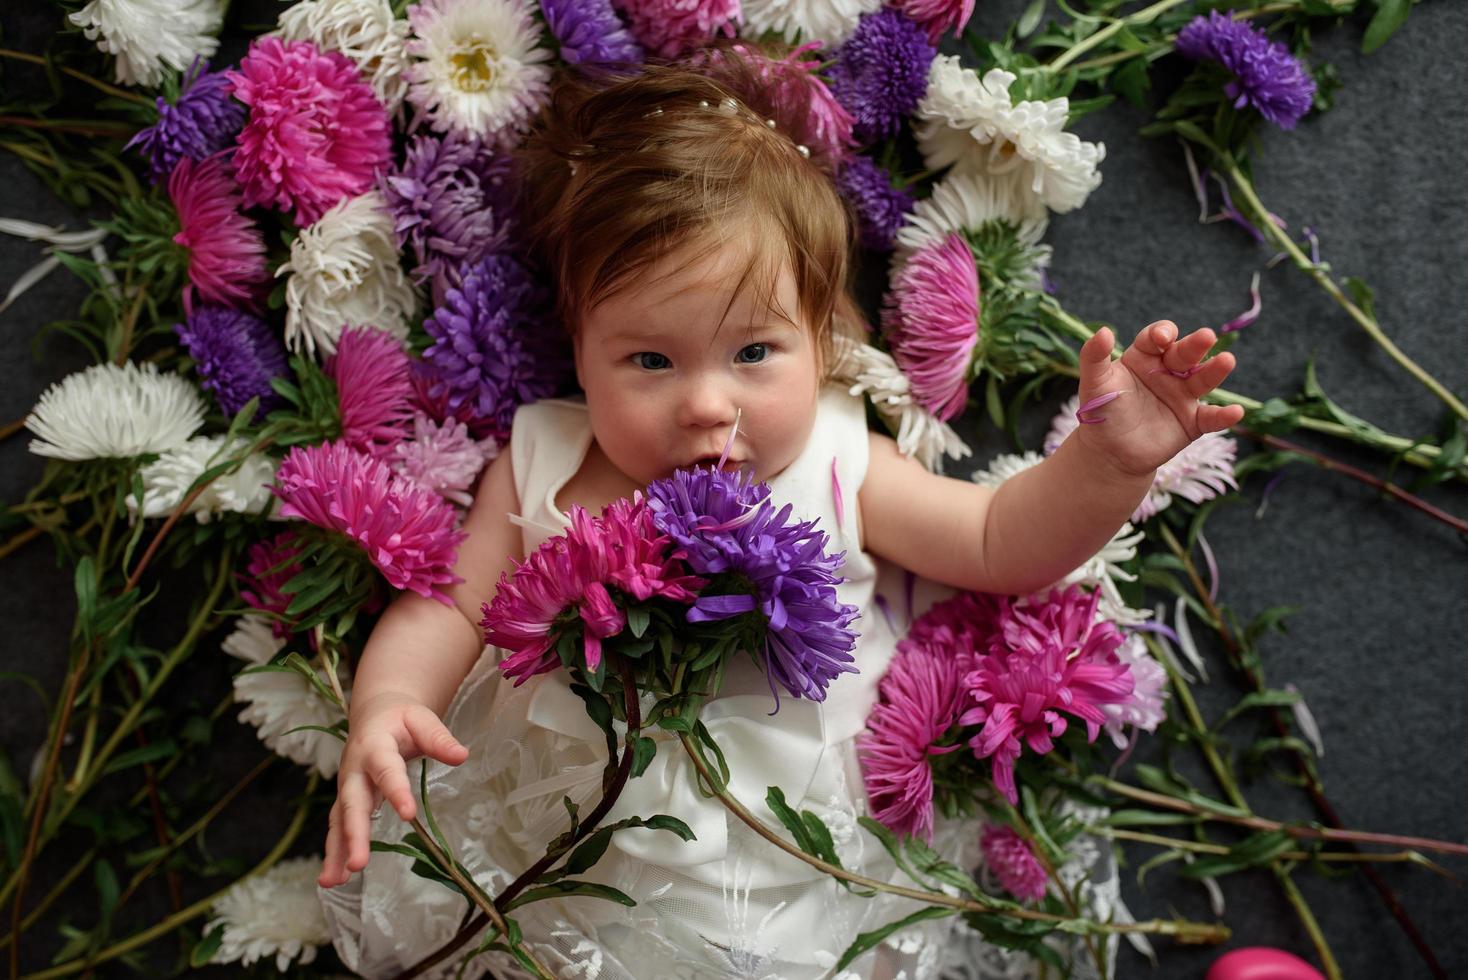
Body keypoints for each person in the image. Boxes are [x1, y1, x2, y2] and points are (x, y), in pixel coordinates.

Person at [315, 53, 1245, 980]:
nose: (707, 405)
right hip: (573, 873)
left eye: (754, 350)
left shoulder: (841, 460)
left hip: (804, 868)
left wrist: (1105, 464)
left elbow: (1001, 541)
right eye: (649, 361)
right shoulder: (546, 460)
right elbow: (444, 605)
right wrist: (390, 700)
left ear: (823, 335)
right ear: (579, 349)